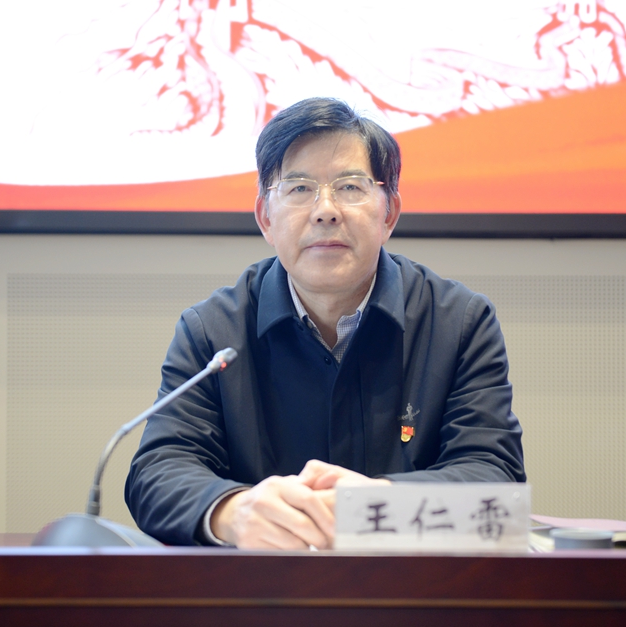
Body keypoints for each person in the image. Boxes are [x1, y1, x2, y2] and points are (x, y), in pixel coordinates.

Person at [126, 97, 525, 549]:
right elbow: (157, 473)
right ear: (265, 218)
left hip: (412, 587)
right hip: (260, 588)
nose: (326, 210)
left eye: (350, 187)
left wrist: (376, 506)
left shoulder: (459, 322)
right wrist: (233, 511)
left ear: (389, 213)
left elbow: (496, 480)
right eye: (299, 189)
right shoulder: (212, 330)